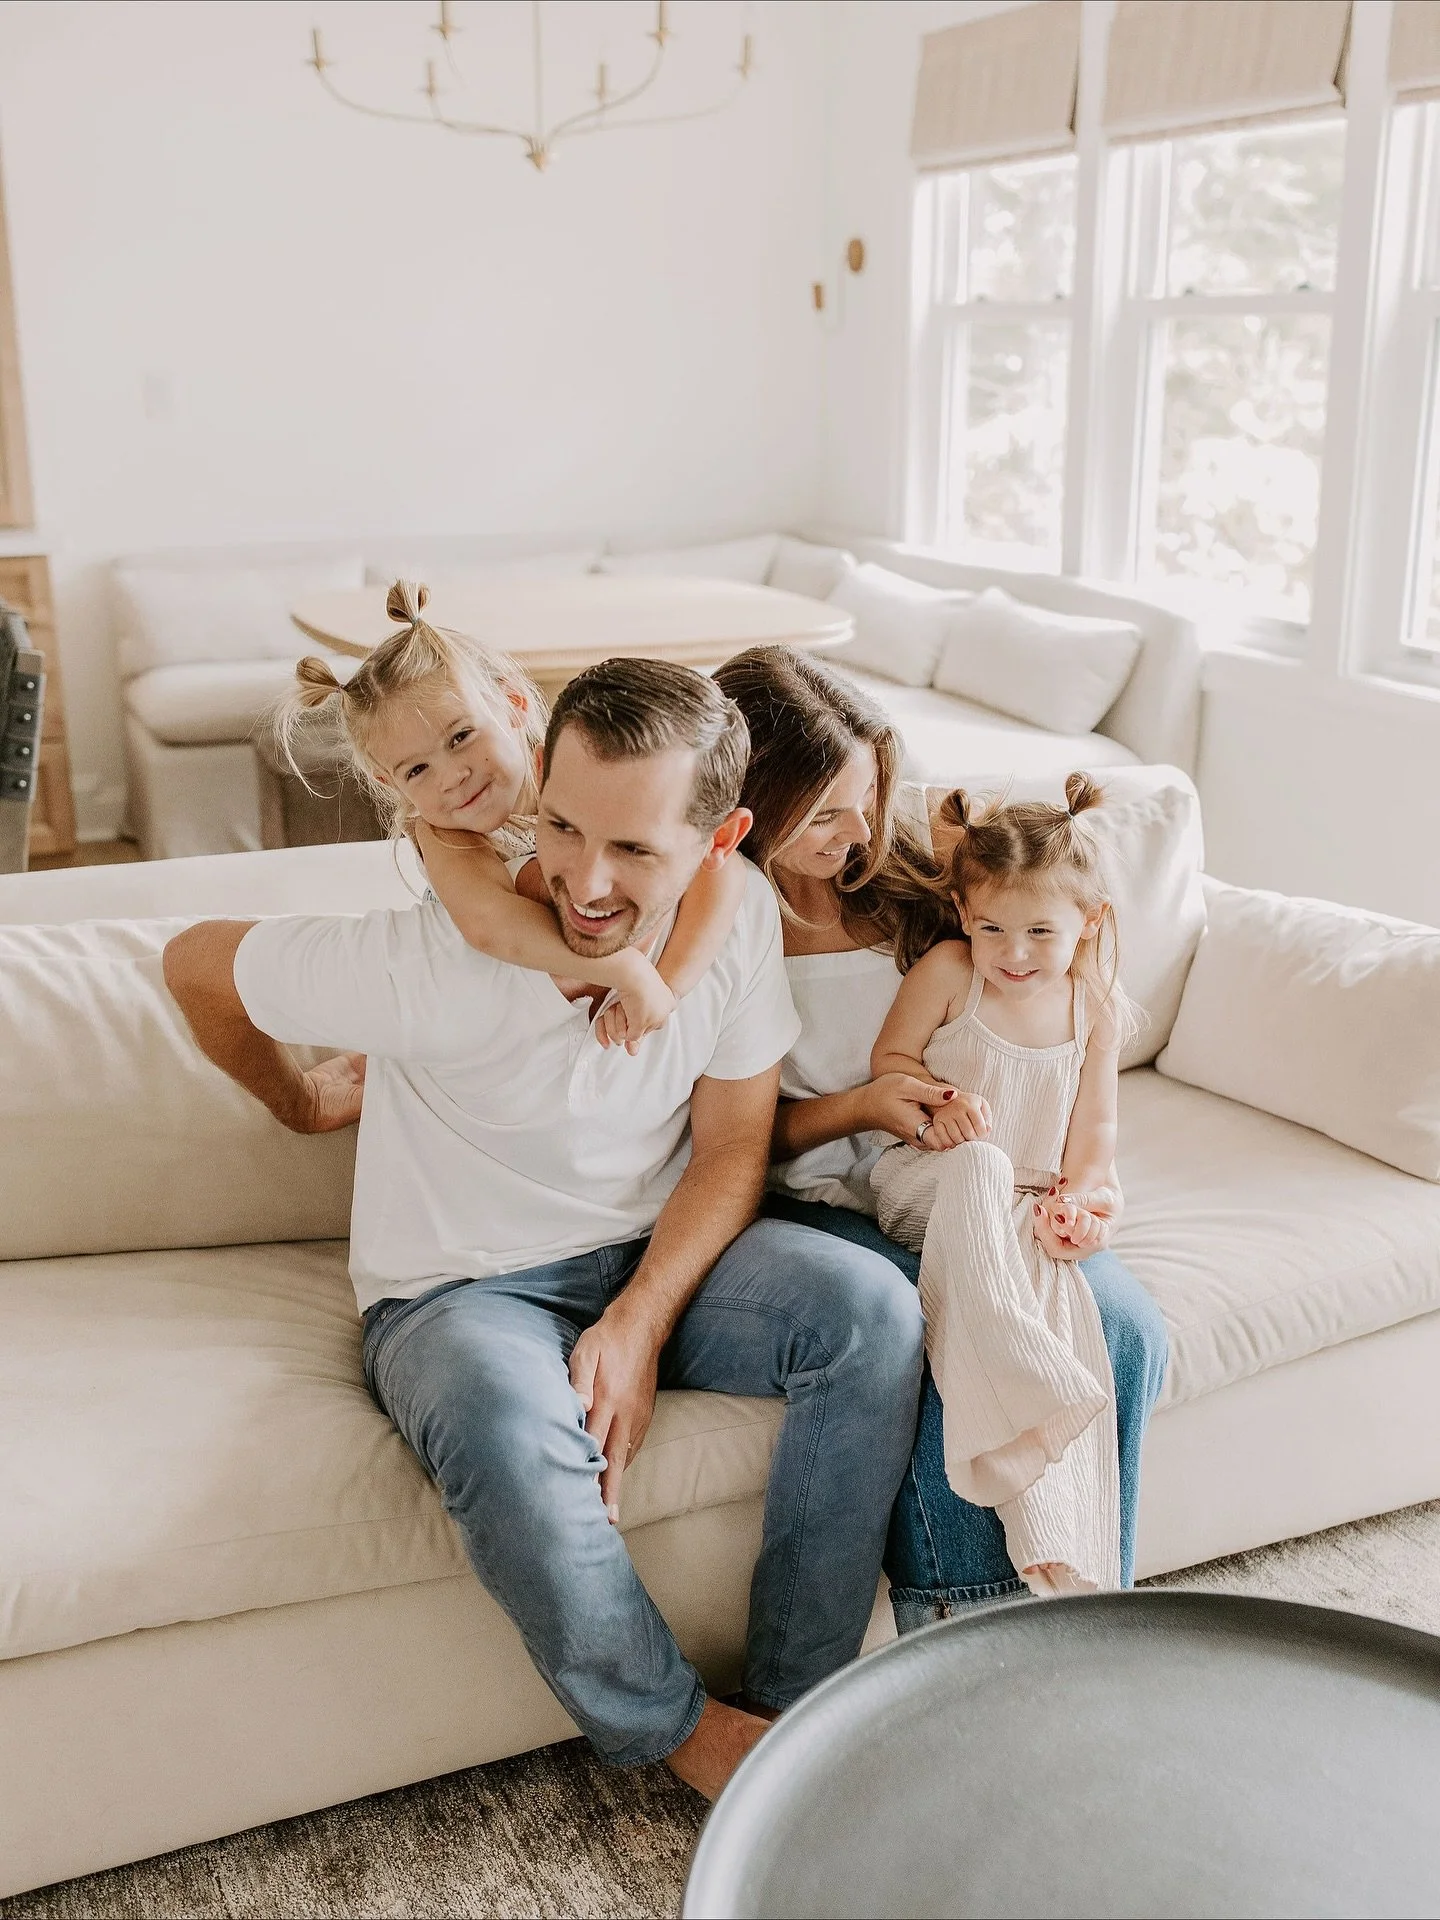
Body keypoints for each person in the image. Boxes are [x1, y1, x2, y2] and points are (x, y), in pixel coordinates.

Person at [162, 654, 925, 1799]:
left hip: (652, 1249)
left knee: (873, 1311)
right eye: (564, 827)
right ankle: (683, 1733)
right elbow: (193, 965)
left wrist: (640, 1321)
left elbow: (731, 1150)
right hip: (459, 1290)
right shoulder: (429, 963)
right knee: (504, 1425)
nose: (586, 881)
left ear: (721, 841)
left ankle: (794, 1708)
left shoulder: (737, 920)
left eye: (634, 849)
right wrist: (302, 1103)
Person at [712, 644, 1168, 1631]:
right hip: (810, 1195)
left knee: (1127, 1326)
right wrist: (869, 1104)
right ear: (750, 806)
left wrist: (1090, 1194)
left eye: (869, 800)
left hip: (963, 1175)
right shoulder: (716, 921)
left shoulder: (918, 888)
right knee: (942, 1322)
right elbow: (720, 1144)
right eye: (824, 813)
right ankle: (966, 1628)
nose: (860, 832)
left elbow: (1043, 933)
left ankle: (1093, 1607)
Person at [869, 774, 1141, 1596]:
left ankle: (1056, 1544)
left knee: (1057, 1278)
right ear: (962, 913)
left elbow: (1094, 1137)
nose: (1013, 953)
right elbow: (889, 1063)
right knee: (984, 1165)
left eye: (1039, 932)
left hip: (1020, 1210)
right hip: (928, 1177)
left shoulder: (1094, 1007)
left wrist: (1081, 1208)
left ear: (1090, 922)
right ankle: (1035, 1389)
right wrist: (938, 1106)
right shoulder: (951, 972)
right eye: (992, 927)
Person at [277, 579, 746, 1052]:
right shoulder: (443, 833)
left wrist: (669, 986)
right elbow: (489, 925)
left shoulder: (572, 778)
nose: (452, 778)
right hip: (471, 1017)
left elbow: (721, 873)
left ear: (514, 705)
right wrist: (627, 971)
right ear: (390, 783)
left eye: (460, 738)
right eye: (417, 770)